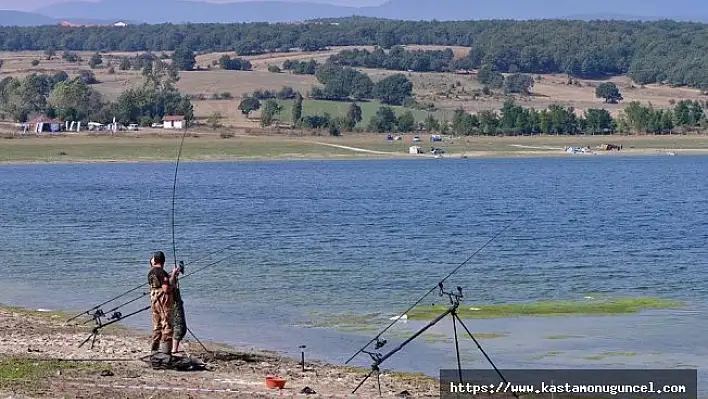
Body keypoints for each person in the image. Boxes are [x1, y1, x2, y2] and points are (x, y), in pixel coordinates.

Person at [147, 251, 180, 355]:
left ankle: (154, 351)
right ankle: (166, 352)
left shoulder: (150, 272)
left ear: (154, 261)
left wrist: (172, 275)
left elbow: (159, 283)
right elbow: (166, 289)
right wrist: (173, 284)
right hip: (163, 302)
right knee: (167, 325)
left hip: (154, 300)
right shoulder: (162, 272)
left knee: (157, 325)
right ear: (163, 261)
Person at [172, 275, 187, 354]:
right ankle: (174, 350)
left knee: (178, 328)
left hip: (173, 307)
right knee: (180, 329)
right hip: (174, 307)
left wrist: (175, 277)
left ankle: (173, 349)